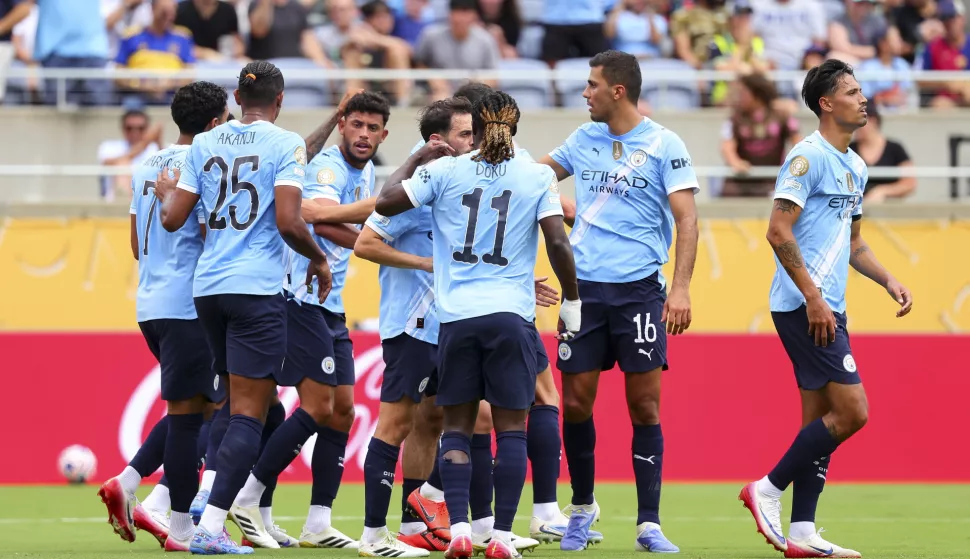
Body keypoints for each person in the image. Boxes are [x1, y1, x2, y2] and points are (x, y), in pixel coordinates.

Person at [376, 89, 582, 559]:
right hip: (510, 316)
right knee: (511, 429)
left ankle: (463, 531)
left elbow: (386, 202)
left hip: (456, 320)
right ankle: (503, 538)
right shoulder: (534, 175)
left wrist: (417, 160)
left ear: (480, 126)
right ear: (513, 127)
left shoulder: (446, 170)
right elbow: (558, 243)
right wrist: (571, 299)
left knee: (456, 429)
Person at [155, 60, 333, 555]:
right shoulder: (285, 143)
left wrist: (170, 193)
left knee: (234, 406)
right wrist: (319, 260)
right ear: (279, 101)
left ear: (235, 98)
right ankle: (211, 526)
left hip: (208, 290)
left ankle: (206, 502)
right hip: (255, 290)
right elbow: (289, 221)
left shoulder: (206, 142)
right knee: (249, 414)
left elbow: (172, 221)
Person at [739, 59, 913, 559]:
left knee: (819, 420)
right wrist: (814, 298)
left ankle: (802, 531)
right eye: (853, 91)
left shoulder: (856, 165)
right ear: (826, 103)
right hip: (803, 306)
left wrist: (887, 279)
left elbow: (854, 244)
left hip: (829, 305)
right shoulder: (806, 158)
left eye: (863, 90)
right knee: (853, 412)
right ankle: (766, 489)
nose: (864, 99)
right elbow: (777, 230)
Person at [538, 50, 700, 553]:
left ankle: (648, 524)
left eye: (591, 85)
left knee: (644, 405)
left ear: (618, 90)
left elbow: (688, 220)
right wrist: (557, 201)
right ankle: (582, 509)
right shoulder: (583, 139)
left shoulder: (663, 144)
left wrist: (680, 288)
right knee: (577, 403)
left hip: (639, 293)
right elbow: (535, 175)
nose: (584, 93)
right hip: (582, 291)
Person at [227, 91, 391, 551]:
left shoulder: (369, 171)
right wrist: (372, 237)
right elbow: (314, 219)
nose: (363, 134)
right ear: (343, 126)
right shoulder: (326, 169)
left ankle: (318, 522)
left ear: (382, 133)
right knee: (318, 407)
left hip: (332, 304)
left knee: (342, 412)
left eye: (372, 127)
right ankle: (247, 495)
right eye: (355, 124)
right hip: (299, 298)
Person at [98, 80, 230, 552]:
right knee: (193, 417)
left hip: (150, 304)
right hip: (188, 306)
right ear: (215, 123)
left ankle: (129, 482)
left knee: (205, 408)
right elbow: (206, 229)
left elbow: (137, 245)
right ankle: (178, 527)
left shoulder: (144, 165)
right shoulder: (202, 165)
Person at [352, 97, 473, 559]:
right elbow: (365, 243)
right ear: (439, 140)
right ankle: (372, 535)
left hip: (448, 323)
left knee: (447, 421)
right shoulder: (410, 191)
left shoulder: (458, 186)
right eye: (465, 133)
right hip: (411, 323)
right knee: (396, 424)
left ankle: (413, 523)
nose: (473, 141)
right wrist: (425, 261)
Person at [848, 105, 916, 202]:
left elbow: (910, 183)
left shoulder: (895, 148)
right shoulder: (849, 149)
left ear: (873, 121)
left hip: (889, 210)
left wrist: (882, 191)